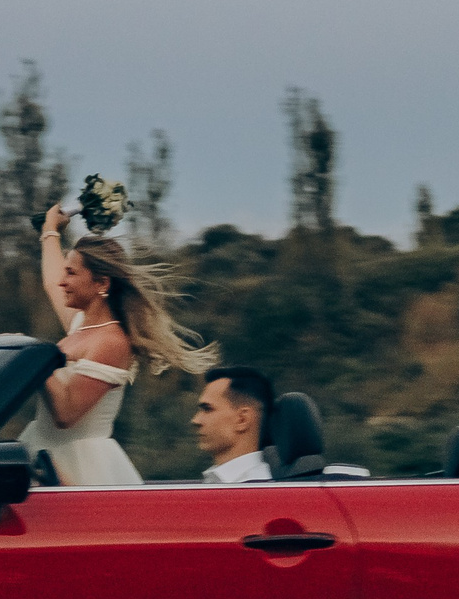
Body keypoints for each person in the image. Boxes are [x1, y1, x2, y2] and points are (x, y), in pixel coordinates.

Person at [17, 203, 217, 485]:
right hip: (41, 452)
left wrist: (31, 354)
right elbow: (52, 281)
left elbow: (66, 412)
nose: (62, 282)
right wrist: (50, 230)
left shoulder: (112, 342)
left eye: (71, 273)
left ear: (101, 283)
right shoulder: (80, 325)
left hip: (80, 468)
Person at [191, 366, 276, 483]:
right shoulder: (220, 483)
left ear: (242, 419)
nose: (196, 420)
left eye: (207, 409)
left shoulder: (258, 493)